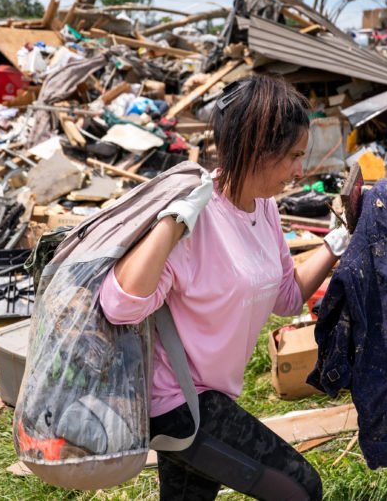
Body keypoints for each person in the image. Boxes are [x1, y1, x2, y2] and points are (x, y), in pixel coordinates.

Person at [98, 75, 348, 501]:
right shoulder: (194, 214)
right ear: (257, 149)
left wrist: (337, 242)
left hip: (209, 397)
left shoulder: (264, 208)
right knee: (301, 489)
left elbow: (287, 297)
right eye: (292, 156)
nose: (299, 171)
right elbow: (119, 305)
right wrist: (172, 221)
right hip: (175, 403)